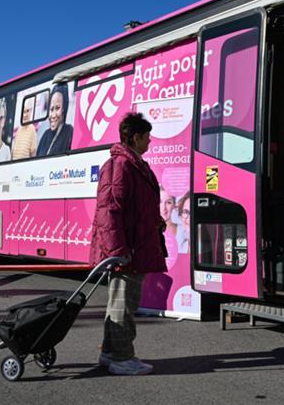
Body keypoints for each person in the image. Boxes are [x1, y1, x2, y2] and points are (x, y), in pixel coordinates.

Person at [89, 112, 166, 376]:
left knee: (121, 304)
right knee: (124, 304)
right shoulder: (120, 165)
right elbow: (108, 211)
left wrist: (156, 222)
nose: (150, 141)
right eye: (147, 136)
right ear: (135, 137)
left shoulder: (134, 165)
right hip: (127, 251)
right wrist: (118, 252)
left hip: (134, 247)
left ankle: (110, 353)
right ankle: (122, 359)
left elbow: (137, 207)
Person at [36, 83, 73, 156]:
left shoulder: (69, 132)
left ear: (64, 109)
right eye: (51, 109)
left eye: (57, 108)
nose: (53, 115)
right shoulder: (45, 135)